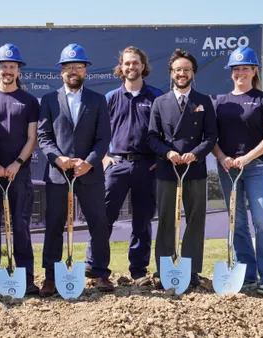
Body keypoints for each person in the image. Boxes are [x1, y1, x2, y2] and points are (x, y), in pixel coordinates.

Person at [37, 43, 115, 296]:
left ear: (85, 70)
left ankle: (101, 273)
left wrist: (89, 161)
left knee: (98, 223)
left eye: (78, 66)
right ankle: (50, 276)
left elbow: (104, 137)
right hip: (59, 175)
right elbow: (44, 136)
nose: (73, 71)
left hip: (89, 174)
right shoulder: (49, 100)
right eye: (68, 67)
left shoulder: (98, 100)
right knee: (54, 225)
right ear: (61, 71)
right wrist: (58, 159)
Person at [84, 46, 163, 286]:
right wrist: (105, 158)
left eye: (135, 63)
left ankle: (138, 270)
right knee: (103, 217)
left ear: (143, 66)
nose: (131, 67)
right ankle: (95, 267)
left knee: (142, 220)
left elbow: (164, 133)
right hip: (116, 165)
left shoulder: (156, 96)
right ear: (121, 67)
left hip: (146, 167)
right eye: (127, 63)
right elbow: (97, 133)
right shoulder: (109, 98)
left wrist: (158, 160)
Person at [212, 46, 263, 295]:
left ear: (254, 70)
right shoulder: (220, 102)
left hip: (256, 168)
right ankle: (248, 274)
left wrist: (247, 158)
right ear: (231, 72)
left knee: (261, 220)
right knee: (238, 223)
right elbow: (212, 138)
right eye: (235, 68)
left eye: (245, 68)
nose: (240, 72)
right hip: (228, 169)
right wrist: (222, 157)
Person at [147, 48, 217, 288]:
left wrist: (194, 154)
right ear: (171, 73)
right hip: (168, 171)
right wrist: (168, 153)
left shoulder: (203, 101)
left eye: (186, 70)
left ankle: (191, 270)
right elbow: (152, 137)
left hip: (194, 170)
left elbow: (211, 136)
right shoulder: (160, 102)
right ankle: (164, 270)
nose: (182, 73)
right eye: (178, 70)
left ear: (193, 73)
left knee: (196, 219)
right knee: (167, 219)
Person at [0, 44, 40, 295]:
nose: (7, 71)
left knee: (20, 225)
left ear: (18, 70)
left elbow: (32, 138)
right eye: (3, 66)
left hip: (19, 173)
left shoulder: (29, 101)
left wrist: (17, 164)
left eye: (12, 66)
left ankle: (26, 279)